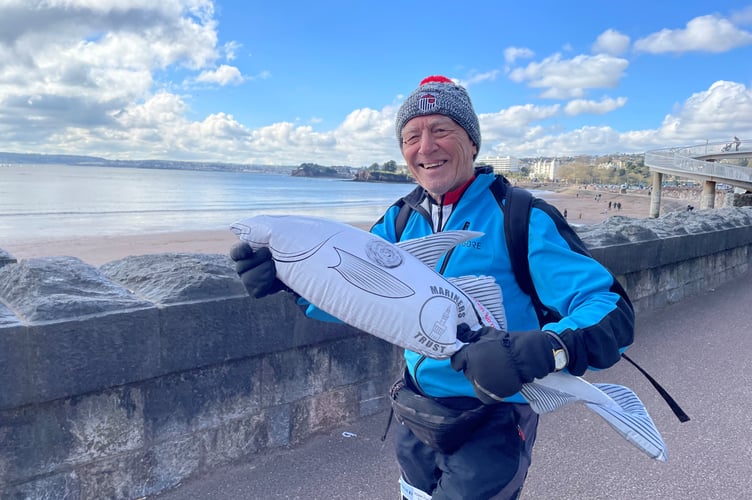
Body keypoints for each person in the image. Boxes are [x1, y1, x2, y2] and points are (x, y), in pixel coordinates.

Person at [231, 75, 634, 499]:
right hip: (416, 410)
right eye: (411, 136)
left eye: (441, 130)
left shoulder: (521, 216)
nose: (425, 147)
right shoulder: (399, 220)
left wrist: (545, 347)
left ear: (472, 142)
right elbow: (357, 298)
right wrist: (289, 280)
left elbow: (608, 308)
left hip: (494, 419)